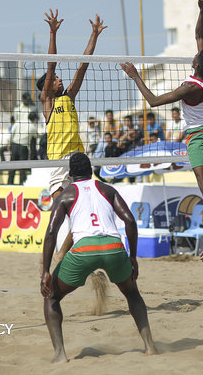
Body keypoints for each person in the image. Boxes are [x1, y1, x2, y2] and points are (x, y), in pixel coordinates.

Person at [120, 0, 203, 262]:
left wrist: (135, 77)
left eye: (195, 58)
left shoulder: (190, 87)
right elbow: (199, 35)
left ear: (197, 66)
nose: (194, 56)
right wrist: (202, 9)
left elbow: (154, 101)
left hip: (200, 135)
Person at [40, 152, 156, 363]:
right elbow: (130, 221)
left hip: (84, 250)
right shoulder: (107, 189)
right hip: (114, 247)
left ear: (71, 174)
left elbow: (51, 233)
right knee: (132, 294)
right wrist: (133, 257)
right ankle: (149, 346)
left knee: (52, 298)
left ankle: (60, 354)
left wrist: (45, 271)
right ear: (92, 170)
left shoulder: (66, 194)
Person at [38, 8, 106, 200]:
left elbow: (83, 65)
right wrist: (53, 32)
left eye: (59, 78)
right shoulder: (48, 102)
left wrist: (94, 35)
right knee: (59, 201)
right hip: (58, 157)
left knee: (83, 199)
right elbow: (51, 65)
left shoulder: (69, 96)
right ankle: (63, 227)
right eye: (55, 79)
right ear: (47, 86)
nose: (59, 80)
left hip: (76, 155)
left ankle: (77, 229)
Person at [8, 92, 38, 185]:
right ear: (22, 100)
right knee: (14, 163)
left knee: (30, 156)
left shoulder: (33, 108)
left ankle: (26, 177)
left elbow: (35, 121)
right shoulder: (17, 109)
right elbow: (15, 122)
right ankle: (11, 182)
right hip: (19, 133)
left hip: (29, 133)